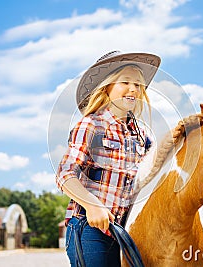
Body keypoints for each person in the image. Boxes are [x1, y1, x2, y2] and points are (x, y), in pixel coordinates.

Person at [55, 50, 161, 266]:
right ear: (107, 86)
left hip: (126, 231)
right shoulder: (91, 125)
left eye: (138, 85)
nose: (133, 89)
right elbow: (65, 174)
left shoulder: (142, 136)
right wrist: (92, 205)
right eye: (125, 82)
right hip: (90, 228)